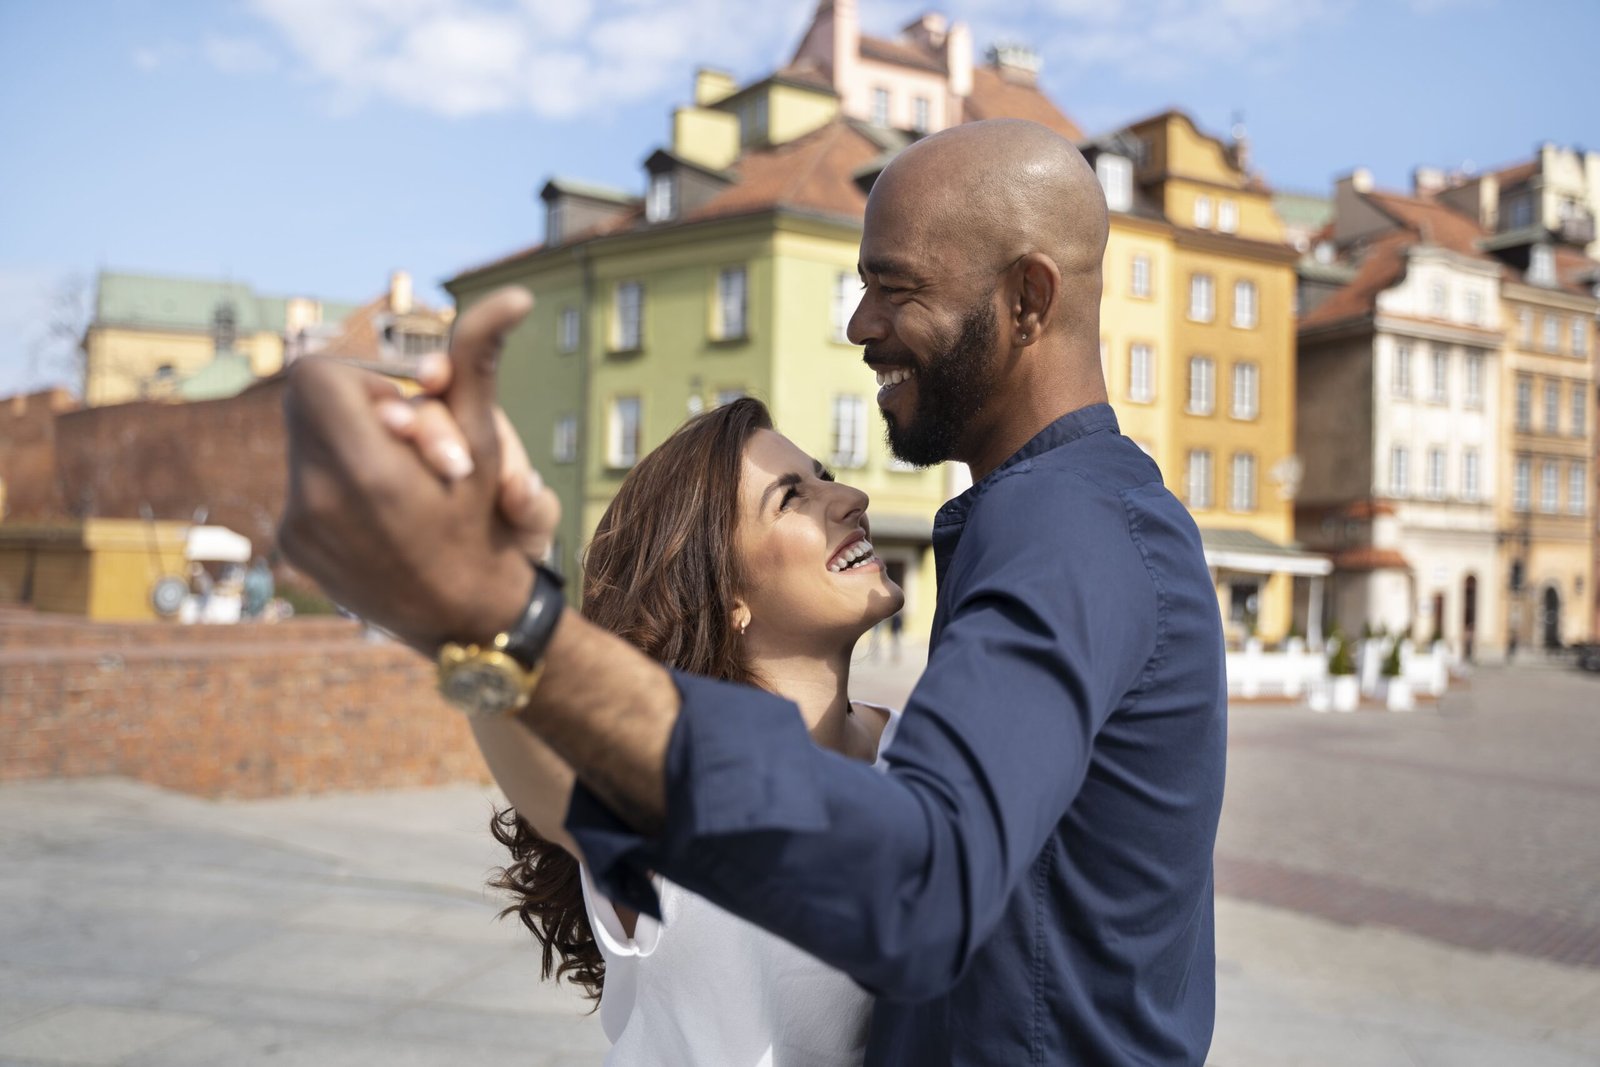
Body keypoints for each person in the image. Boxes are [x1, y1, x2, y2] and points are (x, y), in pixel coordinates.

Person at [280, 118, 1227, 1065]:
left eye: (897, 287)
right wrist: (482, 621)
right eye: (791, 494)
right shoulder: (1053, 537)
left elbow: (923, 880)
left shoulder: (1063, 528)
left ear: (1029, 298)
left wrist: (507, 617)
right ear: (724, 590)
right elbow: (564, 787)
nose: (860, 325)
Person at [474, 397, 900, 1064]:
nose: (851, 497)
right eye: (791, 497)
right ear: (728, 595)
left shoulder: (916, 751)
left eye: (825, 476)